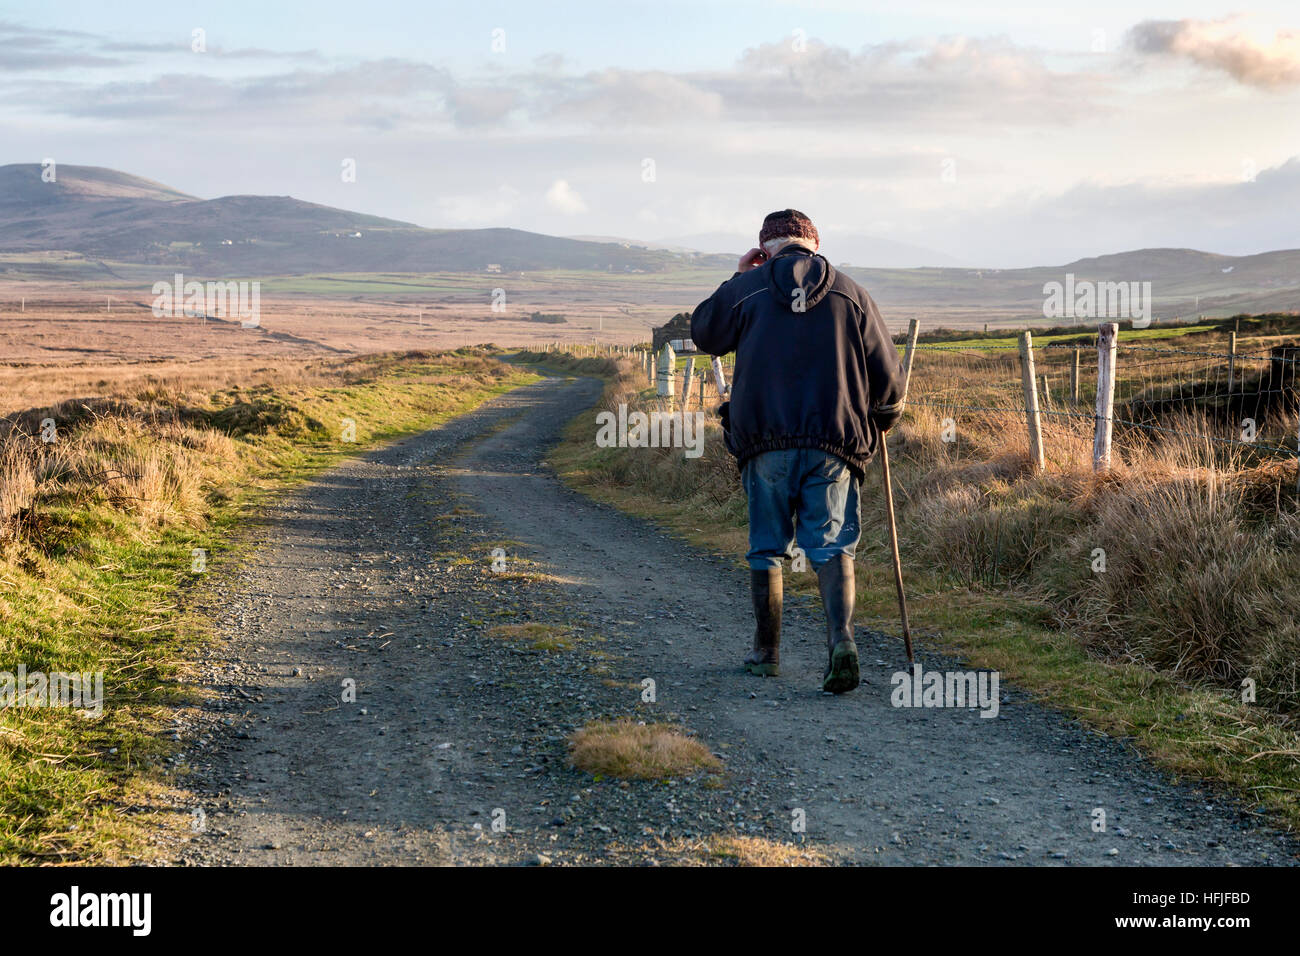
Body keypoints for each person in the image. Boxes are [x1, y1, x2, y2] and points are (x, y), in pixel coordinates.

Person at [690, 209, 905, 693]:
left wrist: (738, 276)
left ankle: (766, 656)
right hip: (834, 443)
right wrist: (884, 417)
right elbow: (889, 376)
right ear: (816, 242)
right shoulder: (853, 294)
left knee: (767, 546)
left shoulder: (748, 289)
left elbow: (705, 334)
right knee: (830, 545)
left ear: (766, 248)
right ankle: (842, 643)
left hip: (764, 441)